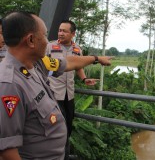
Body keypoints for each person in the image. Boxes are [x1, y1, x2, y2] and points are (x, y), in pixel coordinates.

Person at [0, 11, 111, 160]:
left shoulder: (37, 64)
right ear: (31, 40)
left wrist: (96, 58)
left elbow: (69, 62)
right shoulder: (9, 84)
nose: (48, 41)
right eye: (45, 35)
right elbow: (7, 152)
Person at [46, 20, 99, 159]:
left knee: (68, 126)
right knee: (58, 128)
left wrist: (84, 79)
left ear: (73, 34)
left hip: (69, 95)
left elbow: (78, 66)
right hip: (53, 94)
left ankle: (64, 154)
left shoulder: (77, 49)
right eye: (59, 30)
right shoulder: (49, 46)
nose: (60, 33)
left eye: (64, 31)